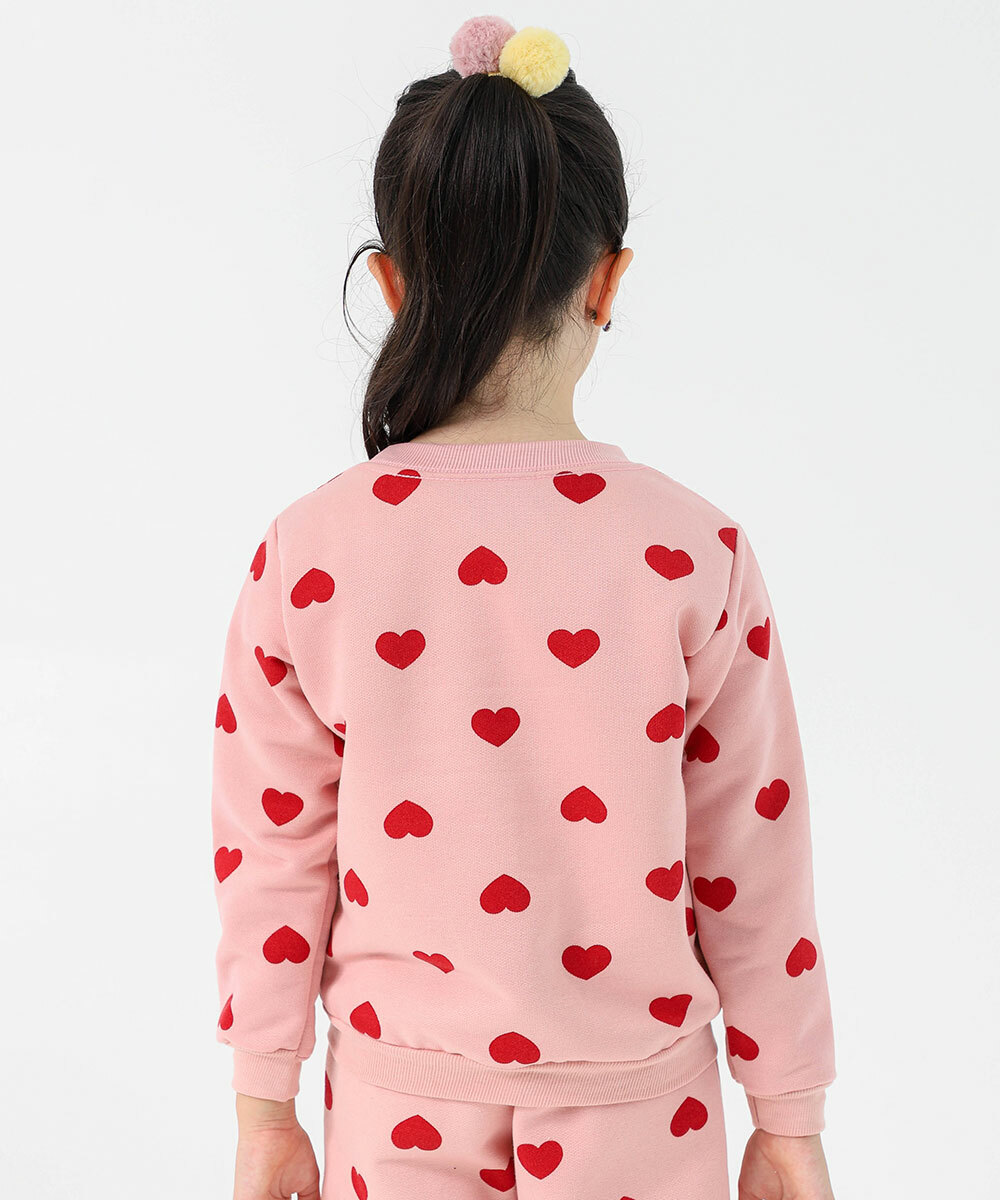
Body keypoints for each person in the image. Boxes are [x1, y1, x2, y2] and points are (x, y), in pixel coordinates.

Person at [211, 16, 837, 1200]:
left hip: (393, 1117)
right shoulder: (693, 552)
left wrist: (262, 1108)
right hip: (644, 1122)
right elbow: (754, 864)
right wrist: (788, 1120)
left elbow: (270, 858)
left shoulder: (309, 553)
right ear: (607, 282)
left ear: (393, 283)